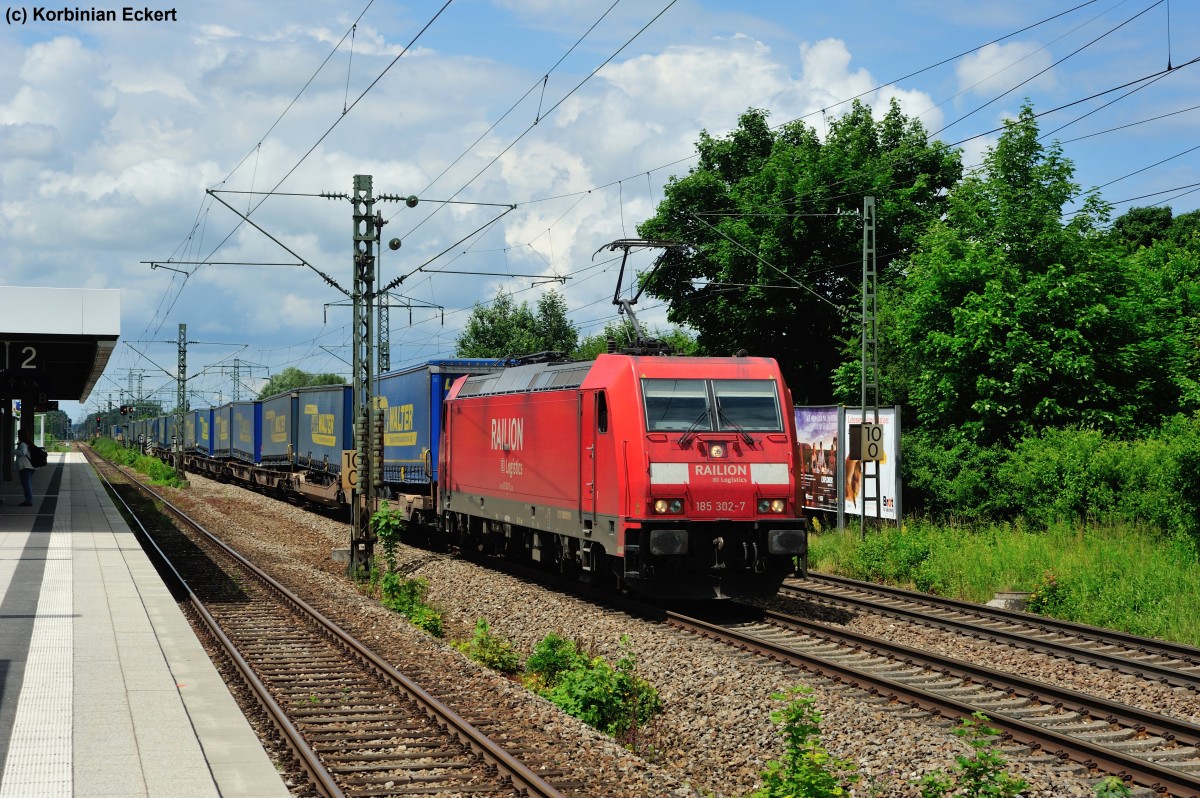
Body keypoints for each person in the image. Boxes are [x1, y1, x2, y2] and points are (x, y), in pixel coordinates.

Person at [15, 429, 35, 507]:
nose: (18, 436)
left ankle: (28, 501)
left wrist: (13, 451)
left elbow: (23, 453)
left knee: (26, 485)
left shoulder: (23, 444)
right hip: (28, 466)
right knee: (27, 484)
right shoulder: (28, 443)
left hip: (25, 467)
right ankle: (28, 500)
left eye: (18, 434)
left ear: (21, 435)